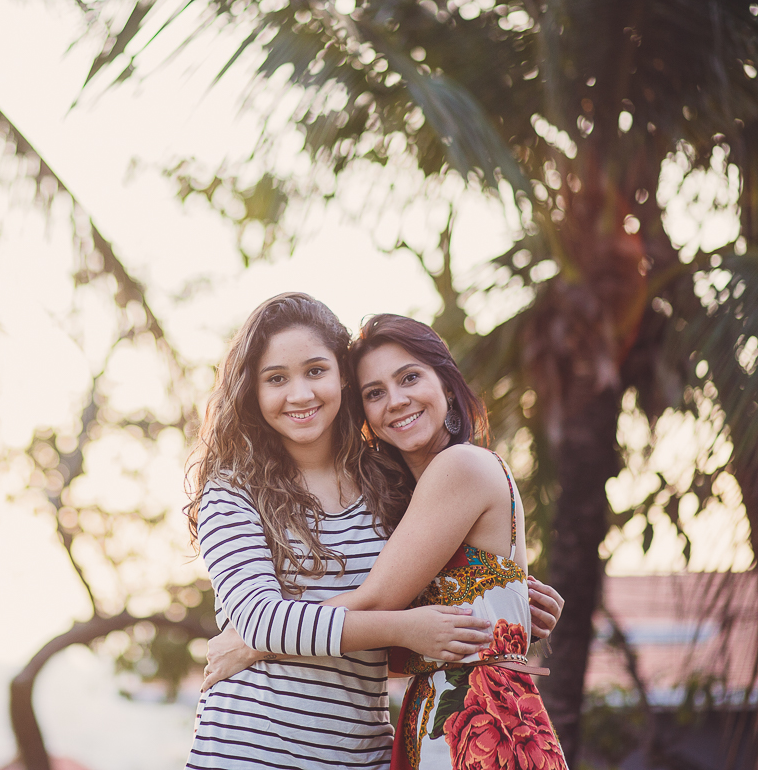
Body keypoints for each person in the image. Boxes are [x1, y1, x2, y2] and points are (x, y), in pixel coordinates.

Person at [185, 293, 553, 770]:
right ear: (251, 392)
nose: (299, 394)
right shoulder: (233, 492)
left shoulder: (391, 490)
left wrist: (514, 601)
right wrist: (404, 627)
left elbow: (402, 635)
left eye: (316, 370)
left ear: (342, 378)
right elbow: (266, 618)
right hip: (251, 751)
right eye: (276, 378)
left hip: (361, 756)